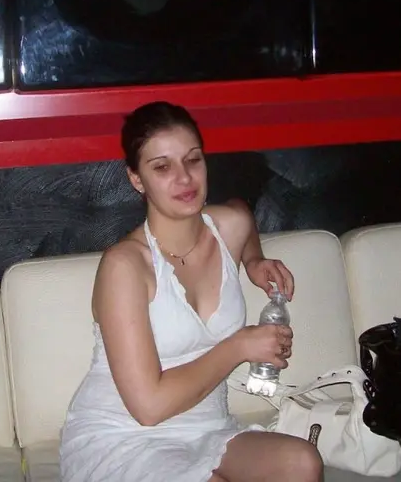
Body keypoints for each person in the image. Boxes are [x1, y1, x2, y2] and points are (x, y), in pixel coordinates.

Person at [60, 101, 324, 482]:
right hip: (124, 436)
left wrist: (254, 259)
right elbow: (148, 407)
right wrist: (239, 347)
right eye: (162, 167)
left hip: (208, 428)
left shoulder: (229, 227)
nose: (184, 178)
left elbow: (241, 214)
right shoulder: (125, 266)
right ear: (137, 179)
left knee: (303, 463)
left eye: (193, 160)